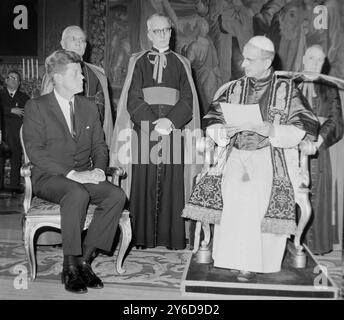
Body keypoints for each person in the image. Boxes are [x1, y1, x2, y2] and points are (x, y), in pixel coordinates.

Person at [203, 36, 319, 281]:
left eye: (249, 59)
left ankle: (251, 262)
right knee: (231, 187)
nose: (242, 64)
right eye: (243, 58)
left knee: (255, 191)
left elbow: (305, 125)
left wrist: (274, 130)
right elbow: (212, 118)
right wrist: (222, 131)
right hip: (235, 154)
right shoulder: (234, 88)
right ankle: (229, 258)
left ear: (267, 62)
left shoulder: (286, 90)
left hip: (271, 155)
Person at [23, 50, 126, 294]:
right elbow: (35, 153)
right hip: (49, 177)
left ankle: (84, 261)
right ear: (58, 77)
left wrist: (100, 170)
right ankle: (69, 266)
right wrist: (72, 174)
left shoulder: (89, 107)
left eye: (81, 72)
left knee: (116, 196)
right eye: (76, 73)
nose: (83, 77)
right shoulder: (36, 106)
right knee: (77, 193)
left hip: (83, 175)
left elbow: (100, 146)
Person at [110, 14, 201, 250]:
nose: (163, 35)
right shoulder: (137, 61)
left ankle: (172, 237)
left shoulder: (182, 62)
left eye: (167, 30)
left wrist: (170, 123)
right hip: (144, 132)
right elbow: (133, 98)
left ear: (171, 32)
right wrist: (152, 124)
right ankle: (142, 237)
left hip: (174, 131)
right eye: (157, 31)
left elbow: (188, 99)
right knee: (144, 181)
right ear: (149, 34)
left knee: (172, 182)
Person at [298, 45, 344, 254]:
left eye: (320, 60)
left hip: (318, 152)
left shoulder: (329, 88)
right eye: (312, 58)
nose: (316, 63)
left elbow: (336, 120)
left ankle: (313, 245)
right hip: (292, 150)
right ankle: (292, 245)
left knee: (316, 195)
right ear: (304, 59)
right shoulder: (291, 85)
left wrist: (316, 142)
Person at [40, 25, 113, 147]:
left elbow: (103, 113)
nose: (79, 43)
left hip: (91, 141)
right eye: (73, 39)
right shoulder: (54, 72)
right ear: (63, 43)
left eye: (82, 40)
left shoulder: (98, 74)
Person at [0, 70, 29, 193]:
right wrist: (11, 110)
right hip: (1, 132)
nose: (13, 80)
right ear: (6, 80)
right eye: (10, 77)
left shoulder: (24, 97)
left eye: (16, 78)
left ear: (19, 83)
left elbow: (25, 113)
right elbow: (15, 111)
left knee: (16, 160)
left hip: (16, 134)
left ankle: (14, 187)